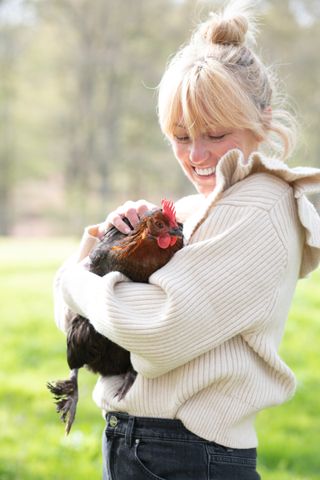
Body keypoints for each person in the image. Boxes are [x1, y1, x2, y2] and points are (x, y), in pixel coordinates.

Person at [53, 1, 320, 478]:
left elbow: (158, 332)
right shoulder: (197, 210)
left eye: (215, 134)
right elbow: (79, 329)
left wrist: (75, 280)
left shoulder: (257, 207)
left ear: (261, 121)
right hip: (141, 444)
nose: (196, 154)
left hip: (188, 454)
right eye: (180, 135)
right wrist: (100, 248)